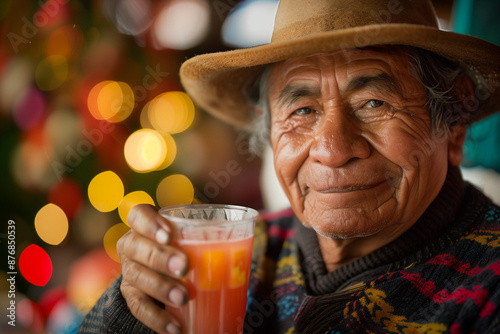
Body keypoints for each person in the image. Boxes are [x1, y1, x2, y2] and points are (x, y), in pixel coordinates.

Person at [78, 0, 500, 333]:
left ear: (455, 122)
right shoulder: (235, 255)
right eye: (301, 110)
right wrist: (133, 309)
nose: (332, 150)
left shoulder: (488, 289)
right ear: (269, 129)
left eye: (374, 103)